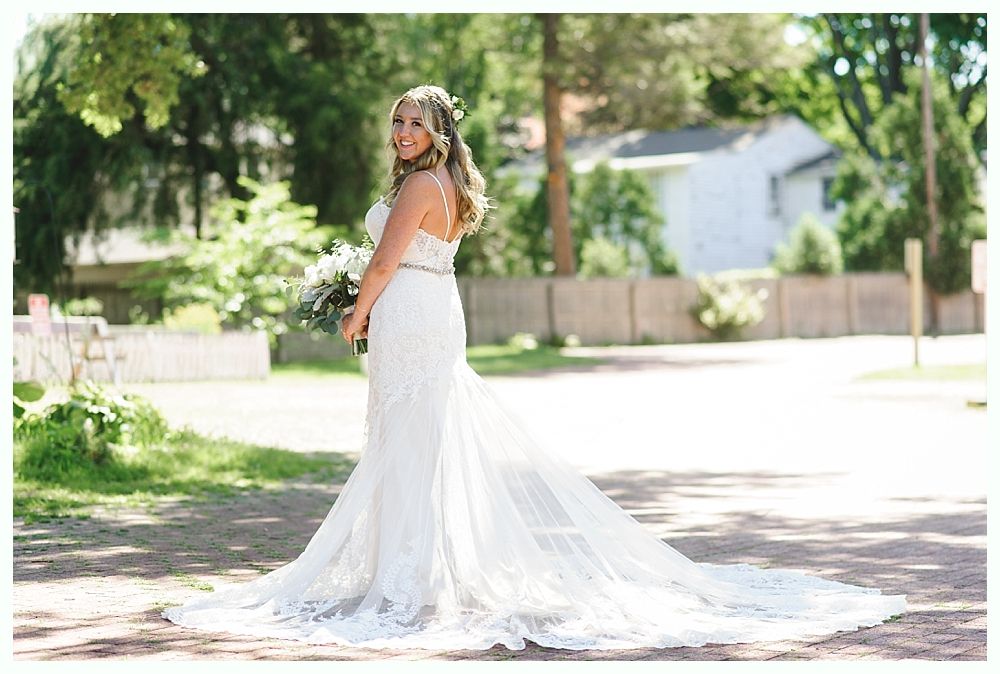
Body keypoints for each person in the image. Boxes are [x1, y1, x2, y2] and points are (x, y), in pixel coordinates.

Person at [162, 84, 906, 651]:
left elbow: (387, 260)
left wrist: (356, 310)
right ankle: (415, 569)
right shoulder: (447, 187)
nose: (402, 131)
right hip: (433, 308)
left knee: (406, 439)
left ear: (439, 131)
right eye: (396, 122)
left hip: (410, 312)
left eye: (416, 122)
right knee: (420, 438)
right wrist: (366, 294)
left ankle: (411, 576)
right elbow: (405, 255)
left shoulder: (420, 186)